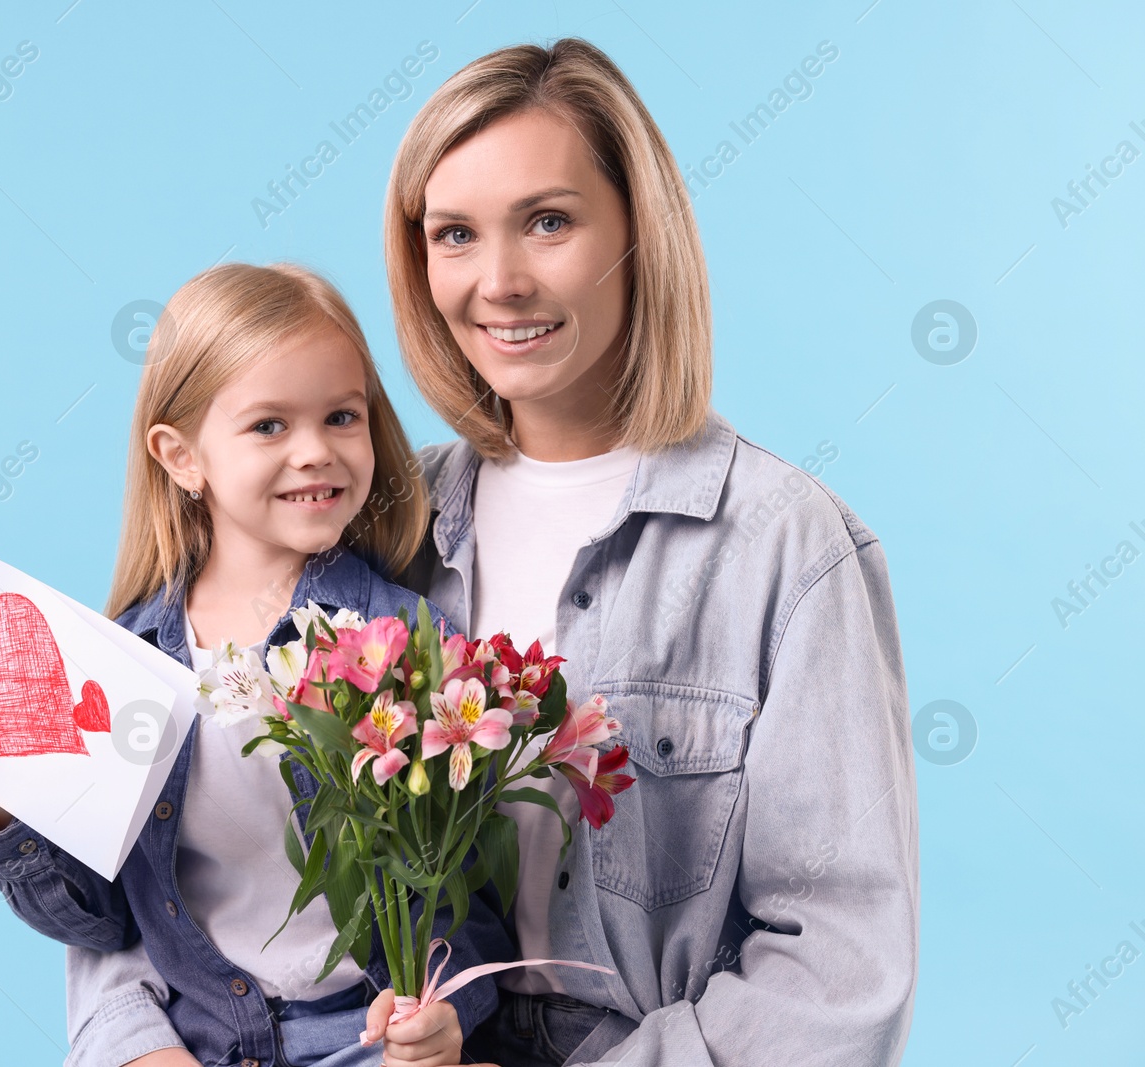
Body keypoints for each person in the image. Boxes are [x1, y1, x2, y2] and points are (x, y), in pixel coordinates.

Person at [358, 38, 920, 1065]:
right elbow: (212, 831)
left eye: (548, 221)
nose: (499, 281)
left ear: (637, 234)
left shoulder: (784, 548)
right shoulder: (381, 520)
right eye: (453, 234)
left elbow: (839, 975)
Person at [0, 262, 509, 1066]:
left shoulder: (406, 639)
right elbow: (104, 924)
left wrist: (445, 1013)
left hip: (370, 1039)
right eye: (269, 426)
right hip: (205, 1042)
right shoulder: (123, 664)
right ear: (181, 457)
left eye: (341, 416)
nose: (316, 451)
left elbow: (470, 896)